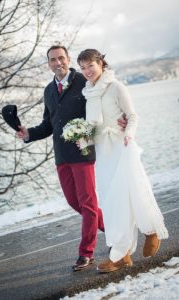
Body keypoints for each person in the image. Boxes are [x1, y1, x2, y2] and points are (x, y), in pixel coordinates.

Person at [16, 45, 126, 272]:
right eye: (53, 60)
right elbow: (49, 124)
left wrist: (121, 119)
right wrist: (28, 134)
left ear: (68, 59)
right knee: (75, 202)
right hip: (61, 155)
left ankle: (86, 253)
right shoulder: (48, 90)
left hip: (83, 151)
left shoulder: (83, 81)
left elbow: (106, 102)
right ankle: (117, 233)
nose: (58, 63)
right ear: (48, 64)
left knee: (87, 203)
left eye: (61, 58)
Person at [77, 49, 169, 273]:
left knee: (133, 191)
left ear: (101, 63)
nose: (87, 71)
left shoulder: (115, 86)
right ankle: (123, 253)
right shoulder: (88, 92)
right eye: (83, 67)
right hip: (103, 152)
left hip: (121, 146)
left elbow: (133, 116)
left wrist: (129, 134)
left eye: (91, 65)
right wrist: (82, 137)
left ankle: (150, 231)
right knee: (110, 201)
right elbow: (95, 124)